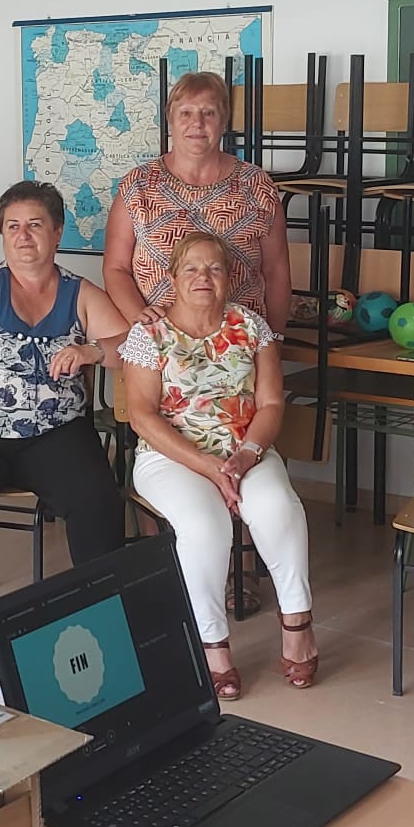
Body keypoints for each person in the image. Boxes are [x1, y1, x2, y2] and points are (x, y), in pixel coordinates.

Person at [0, 181, 129, 649]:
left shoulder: (79, 292)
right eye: (12, 226)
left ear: (57, 232)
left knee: (97, 498)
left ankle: (105, 614)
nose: (23, 236)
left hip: (55, 433)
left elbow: (134, 347)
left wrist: (94, 351)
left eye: (35, 225)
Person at [121, 232, 316, 699]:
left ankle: (298, 626)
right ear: (172, 279)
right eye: (190, 268)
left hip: (245, 451)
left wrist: (245, 455)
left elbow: (271, 404)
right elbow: (142, 417)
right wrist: (209, 467)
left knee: (278, 508)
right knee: (205, 526)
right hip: (170, 456)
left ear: (229, 278)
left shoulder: (251, 326)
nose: (202, 277)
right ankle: (213, 646)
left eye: (214, 268)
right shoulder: (149, 335)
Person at [103, 70, 290, 325]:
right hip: (158, 339)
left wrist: (275, 337)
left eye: (208, 113)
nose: (197, 123)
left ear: (224, 122)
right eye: (186, 113)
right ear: (170, 120)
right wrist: (141, 319)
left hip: (239, 340)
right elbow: (116, 268)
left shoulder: (257, 186)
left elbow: (276, 272)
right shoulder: (138, 185)